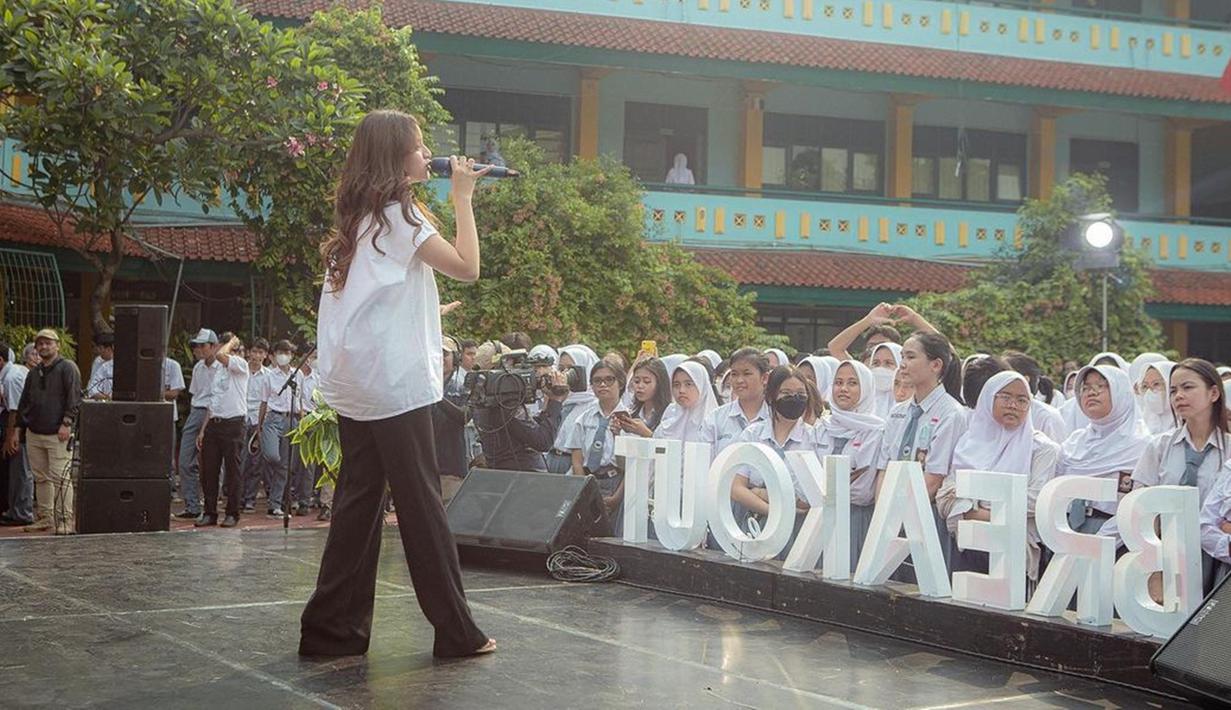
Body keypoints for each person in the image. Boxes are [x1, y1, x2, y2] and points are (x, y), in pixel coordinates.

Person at [300, 110, 493, 659]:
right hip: (394, 387)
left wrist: (427, 311)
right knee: (421, 505)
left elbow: (374, 301)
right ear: (396, 157)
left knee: (358, 503)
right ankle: (457, 632)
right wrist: (463, 198)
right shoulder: (403, 218)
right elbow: (467, 266)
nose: (426, 152)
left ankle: (331, 631)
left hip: (361, 382)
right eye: (419, 146)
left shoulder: (359, 221)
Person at [937, 371, 1059, 588]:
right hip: (968, 548)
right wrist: (994, 511)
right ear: (988, 398)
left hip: (1014, 552)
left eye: (1022, 400)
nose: (1013, 405)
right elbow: (945, 497)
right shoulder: (969, 442)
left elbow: (1035, 500)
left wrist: (973, 510)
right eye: (1005, 397)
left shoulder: (1042, 449)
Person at [875, 331, 968, 574]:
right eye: (902, 356)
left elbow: (934, 479)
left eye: (911, 357)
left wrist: (897, 513)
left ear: (936, 365)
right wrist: (883, 514)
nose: (902, 364)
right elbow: (885, 467)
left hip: (925, 516)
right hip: (891, 519)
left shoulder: (951, 413)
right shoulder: (898, 411)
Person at [1132, 359, 1228, 593]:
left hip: (1217, 558)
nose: (1178, 396)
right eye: (1173, 390)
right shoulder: (1160, 447)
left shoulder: (1229, 448)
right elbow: (1142, 507)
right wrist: (1153, 563)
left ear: (1213, 393)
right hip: (1166, 554)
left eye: (1188, 387)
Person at [730, 366, 816, 556]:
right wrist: (775, 512)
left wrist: (759, 491)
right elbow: (736, 488)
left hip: (800, 531)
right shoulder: (753, 434)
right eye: (786, 393)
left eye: (800, 394)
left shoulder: (815, 438)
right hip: (754, 524)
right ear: (771, 396)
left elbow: (805, 501)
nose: (794, 399)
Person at [1057, 365, 1148, 537]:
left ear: (1121, 393)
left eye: (1102, 386)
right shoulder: (1074, 442)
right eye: (1086, 388)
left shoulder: (1141, 444)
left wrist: (1099, 544)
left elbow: (1137, 507)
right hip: (1065, 531)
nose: (1092, 393)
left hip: (1114, 534)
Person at [814, 360, 885, 566]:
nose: (843, 389)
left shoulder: (876, 431)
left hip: (855, 519)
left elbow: (862, 490)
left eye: (853, 383)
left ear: (866, 388)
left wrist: (821, 487)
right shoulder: (822, 426)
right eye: (838, 382)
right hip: (817, 518)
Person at [15, 329, 81, 534]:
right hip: (35, 432)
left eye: (48, 343)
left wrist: (67, 423)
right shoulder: (34, 373)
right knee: (41, 477)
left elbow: (74, 398)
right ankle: (46, 517)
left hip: (57, 432)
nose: (43, 347)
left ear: (57, 345)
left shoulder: (68, 368)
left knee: (60, 477)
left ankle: (64, 520)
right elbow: (24, 401)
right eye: (40, 344)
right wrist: (19, 429)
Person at [565, 360, 631, 534]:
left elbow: (631, 466)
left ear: (621, 383)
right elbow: (577, 460)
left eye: (609, 380)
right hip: (588, 480)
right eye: (597, 380)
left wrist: (617, 497)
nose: (603, 385)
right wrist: (583, 491)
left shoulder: (630, 420)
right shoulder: (584, 418)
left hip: (615, 481)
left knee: (613, 535)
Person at [193, 333, 249, 527]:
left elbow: (221, 356)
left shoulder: (241, 365)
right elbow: (213, 401)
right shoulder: (218, 372)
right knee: (209, 470)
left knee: (232, 472)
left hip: (233, 423)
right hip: (214, 423)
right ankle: (209, 512)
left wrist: (233, 342)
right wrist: (203, 429)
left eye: (233, 349)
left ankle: (232, 512)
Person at [175, 328, 219, 519]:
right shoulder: (198, 367)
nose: (198, 349)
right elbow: (195, 394)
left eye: (202, 345)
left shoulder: (223, 367)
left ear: (214, 346)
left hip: (216, 413)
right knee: (185, 461)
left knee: (213, 464)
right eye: (197, 345)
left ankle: (212, 505)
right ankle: (192, 505)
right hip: (197, 411)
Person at [700, 347, 772, 462]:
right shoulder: (715, 419)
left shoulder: (776, 417)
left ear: (764, 378)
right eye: (734, 374)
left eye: (747, 374)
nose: (739, 380)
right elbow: (703, 462)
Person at [257, 340, 298, 518]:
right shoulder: (269, 376)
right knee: (272, 456)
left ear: (291, 355)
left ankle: (275, 504)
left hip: (292, 419)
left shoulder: (298, 375)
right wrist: (259, 426)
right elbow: (264, 402)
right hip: (273, 418)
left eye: (286, 352)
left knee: (285, 465)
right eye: (280, 352)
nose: (283, 356)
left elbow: (301, 400)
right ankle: (269, 487)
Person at [546, 344, 599, 474]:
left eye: (571, 369)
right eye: (561, 369)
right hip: (551, 460)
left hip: (571, 465)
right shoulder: (559, 399)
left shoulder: (593, 405)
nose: (565, 374)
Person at [1002, 351, 1066, 444]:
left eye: (1006, 376)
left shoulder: (1047, 416)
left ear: (1025, 380)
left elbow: (1056, 455)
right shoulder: (994, 411)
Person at [0, 342, 32, 526]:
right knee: (16, 469)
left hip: (22, 427)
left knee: (21, 470)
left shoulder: (11, 377)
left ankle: (22, 512)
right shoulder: (15, 371)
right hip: (22, 425)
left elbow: (14, 410)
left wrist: (10, 437)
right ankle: (15, 509)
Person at [653, 360, 720, 444]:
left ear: (701, 385)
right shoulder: (670, 415)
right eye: (676, 385)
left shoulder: (715, 420)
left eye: (688, 384)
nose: (681, 390)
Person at [240, 338, 271, 514]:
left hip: (258, 421)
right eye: (254, 351)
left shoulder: (268, 375)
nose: (256, 356)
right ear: (249, 352)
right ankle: (238, 496)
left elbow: (268, 401)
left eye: (261, 353)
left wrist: (262, 424)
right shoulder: (240, 370)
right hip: (240, 418)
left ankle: (250, 499)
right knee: (240, 461)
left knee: (256, 462)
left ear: (265, 355)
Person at [615, 357, 671, 437]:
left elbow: (669, 445)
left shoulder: (670, 414)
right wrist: (617, 433)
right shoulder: (632, 413)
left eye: (646, 382)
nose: (640, 386)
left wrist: (646, 433)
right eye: (636, 381)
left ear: (660, 383)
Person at [868, 342, 910, 419]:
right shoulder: (862, 400)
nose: (881, 368)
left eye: (888, 363)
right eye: (875, 363)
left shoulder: (911, 401)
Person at [1136, 360, 1177, 436]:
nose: (1149, 391)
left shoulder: (1186, 428)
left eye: (1156, 384)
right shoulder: (1140, 426)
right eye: (1145, 386)